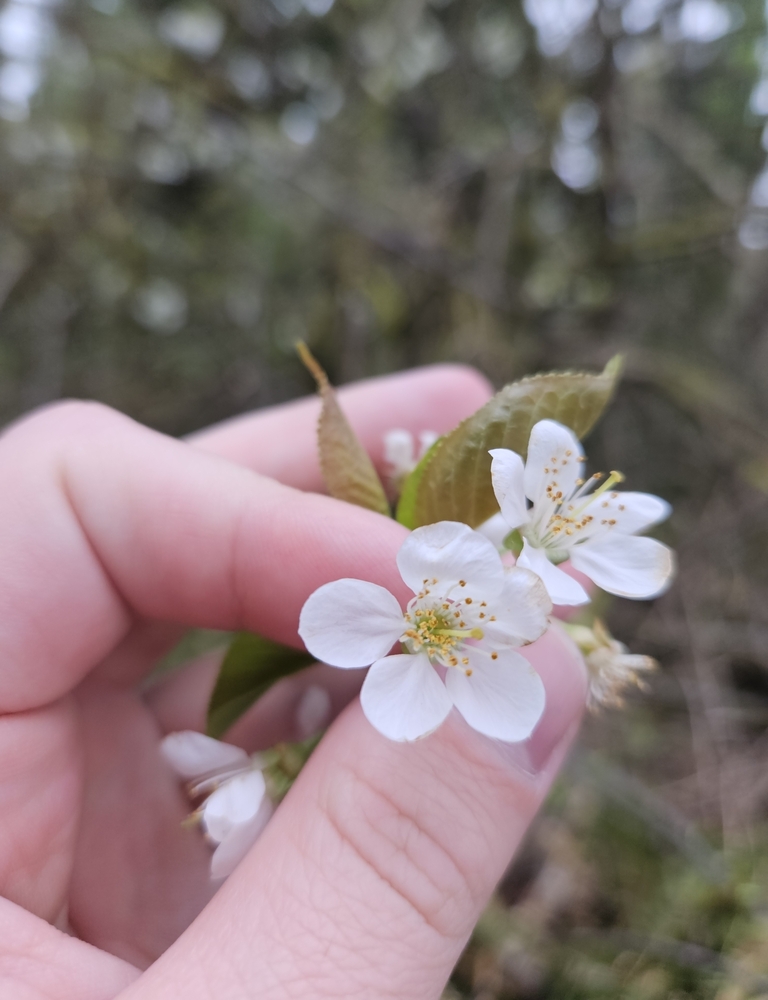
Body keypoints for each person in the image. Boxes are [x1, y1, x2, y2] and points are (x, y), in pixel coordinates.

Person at [0, 363, 586, 999]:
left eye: (441, 623)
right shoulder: (401, 614)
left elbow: (501, 595)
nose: (436, 629)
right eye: (432, 619)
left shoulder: (480, 618)